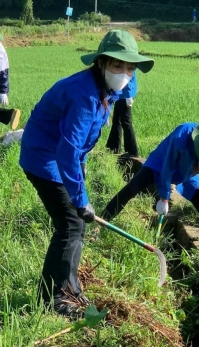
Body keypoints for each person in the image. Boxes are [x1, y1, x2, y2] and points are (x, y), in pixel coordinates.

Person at [19, 30, 154, 317]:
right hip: (44, 158)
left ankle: (62, 291)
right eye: (118, 65)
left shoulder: (107, 89)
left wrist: (81, 191)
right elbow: (67, 151)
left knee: (74, 226)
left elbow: (79, 149)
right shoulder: (83, 95)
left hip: (60, 156)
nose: (124, 73)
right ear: (102, 63)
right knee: (70, 225)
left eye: (130, 68)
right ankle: (60, 299)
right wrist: (81, 201)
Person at [102, 122, 199, 277]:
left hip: (188, 174)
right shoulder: (182, 136)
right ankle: (101, 223)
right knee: (131, 189)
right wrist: (164, 197)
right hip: (160, 164)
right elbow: (168, 166)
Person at [105, 73, 139, 157]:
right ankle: (113, 147)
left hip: (125, 95)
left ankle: (132, 151)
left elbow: (129, 79)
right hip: (120, 94)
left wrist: (129, 96)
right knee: (117, 120)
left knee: (126, 122)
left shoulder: (129, 64)